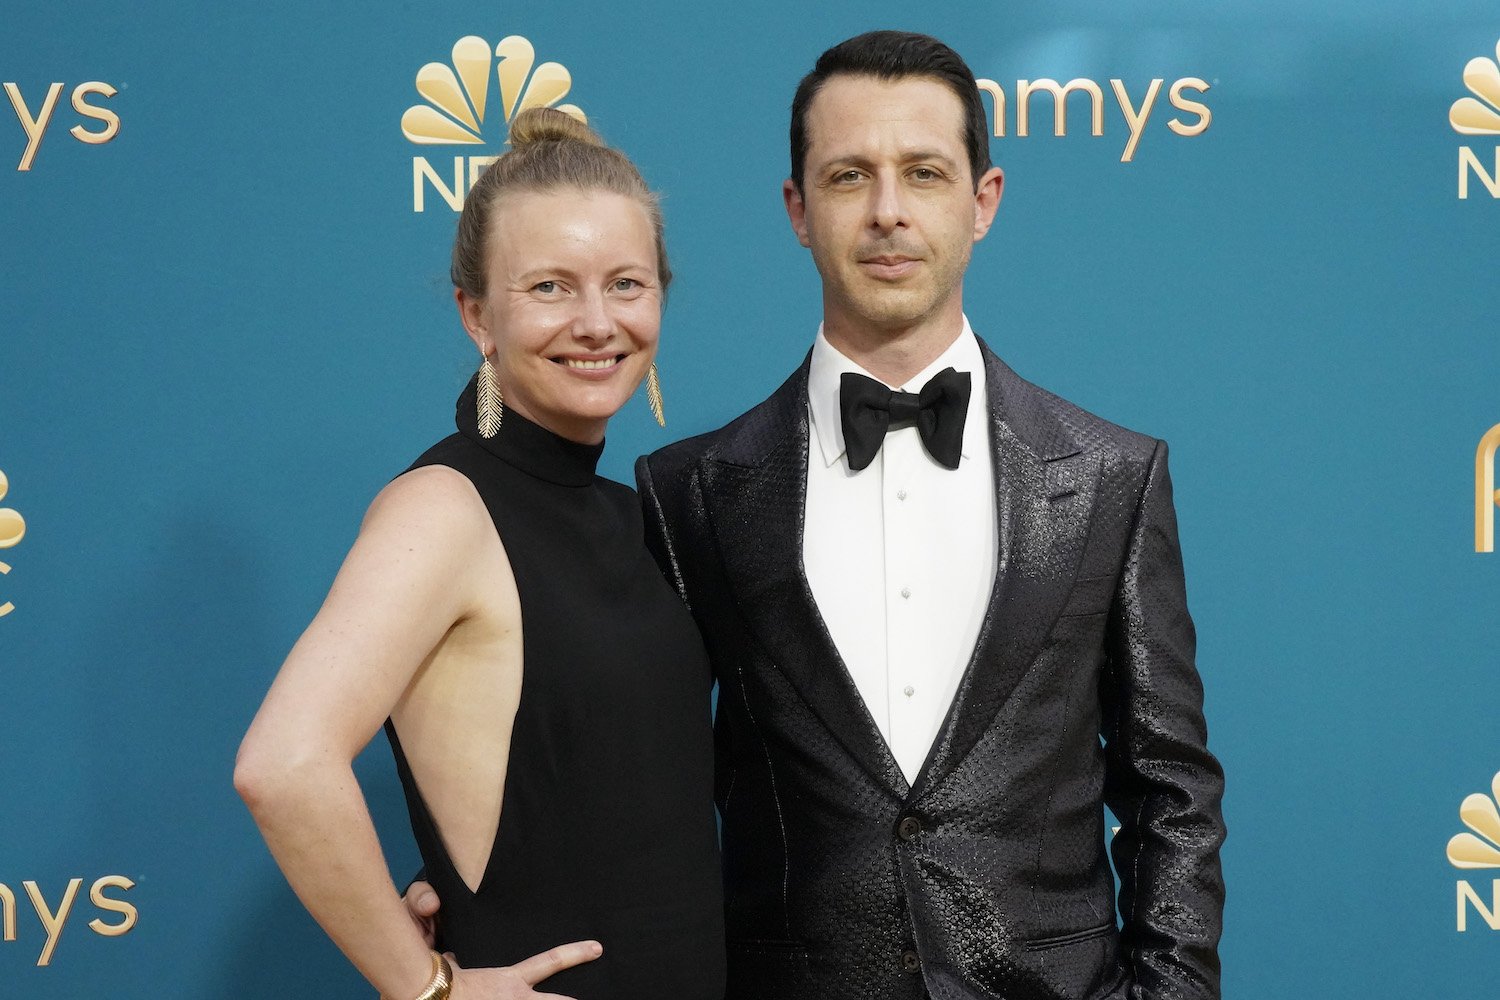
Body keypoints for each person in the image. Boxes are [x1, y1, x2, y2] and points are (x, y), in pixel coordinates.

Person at [412, 29, 1226, 1000]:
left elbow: (1171, 788)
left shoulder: (1110, 476)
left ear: (983, 202)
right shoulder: (689, 492)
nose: (887, 212)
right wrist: (488, 895)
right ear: (798, 210)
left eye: (923, 173)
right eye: (849, 176)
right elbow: (627, 762)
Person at [234, 107, 725, 1000]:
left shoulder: (633, 514)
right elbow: (283, 763)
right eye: (548, 288)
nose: (595, 321)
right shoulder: (446, 508)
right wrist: (428, 987)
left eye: (625, 283)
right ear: (476, 315)